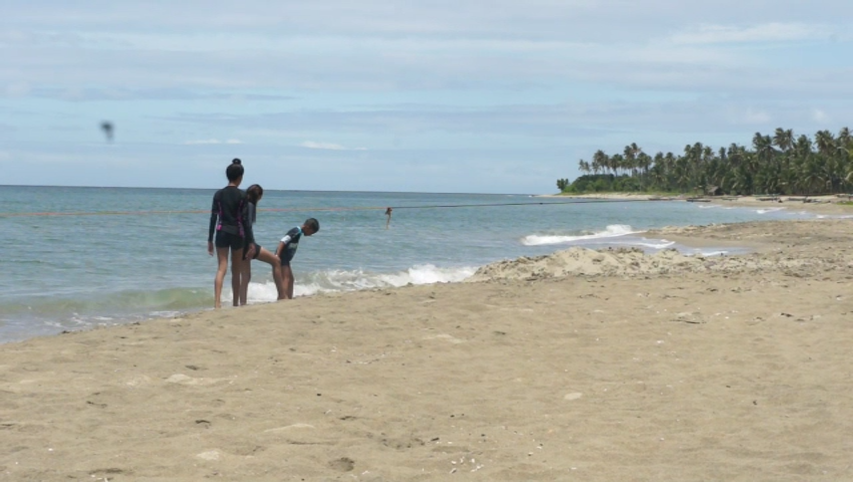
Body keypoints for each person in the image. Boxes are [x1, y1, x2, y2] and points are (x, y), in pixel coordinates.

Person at [207, 159, 255, 309]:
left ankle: (217, 303)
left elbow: (214, 217)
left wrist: (209, 239)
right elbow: (245, 221)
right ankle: (235, 303)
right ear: (240, 177)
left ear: (227, 176)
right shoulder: (242, 196)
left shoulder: (218, 194)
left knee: (222, 267)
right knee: (236, 269)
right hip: (237, 233)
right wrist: (251, 242)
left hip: (221, 232)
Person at [238, 184, 283, 305]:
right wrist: (251, 244)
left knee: (245, 276)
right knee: (276, 261)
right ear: (258, 196)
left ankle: (242, 303)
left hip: (239, 243)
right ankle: (282, 295)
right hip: (248, 244)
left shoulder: (241, 204)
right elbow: (247, 226)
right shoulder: (250, 206)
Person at [275, 218, 320, 300]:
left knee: (291, 279)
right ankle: (282, 297)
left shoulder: (299, 233)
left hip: (286, 259)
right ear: (307, 227)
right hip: (282, 257)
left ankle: (289, 297)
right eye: (311, 232)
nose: (310, 235)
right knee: (286, 278)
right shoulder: (296, 231)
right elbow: (283, 241)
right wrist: (277, 255)